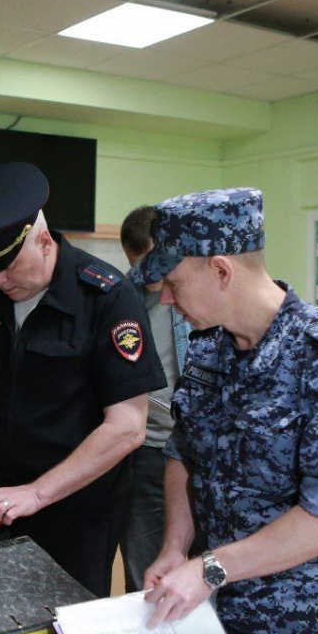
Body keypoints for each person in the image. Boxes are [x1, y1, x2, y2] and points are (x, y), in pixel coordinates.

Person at [135, 188, 318, 634]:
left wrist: (207, 569)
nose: (165, 299)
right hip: (214, 619)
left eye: (172, 283)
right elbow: (182, 452)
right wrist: (175, 548)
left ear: (221, 270)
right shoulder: (208, 349)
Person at [0, 162, 166, 597]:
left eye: (8, 267)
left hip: (77, 510)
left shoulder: (106, 296)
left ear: (43, 241)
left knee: (62, 625)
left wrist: (38, 493)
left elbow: (127, 427)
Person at [118, 205, 194, 592]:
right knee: (145, 564)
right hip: (143, 451)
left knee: (198, 561)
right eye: (137, 267)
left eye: (151, 265)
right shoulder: (120, 299)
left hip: (193, 450)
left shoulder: (192, 296)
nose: (146, 277)